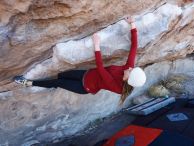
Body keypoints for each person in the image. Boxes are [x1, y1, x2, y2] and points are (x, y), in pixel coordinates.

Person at [14, 16, 146, 103]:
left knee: (58, 82)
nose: (130, 68)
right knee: (61, 76)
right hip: (86, 74)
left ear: (127, 79)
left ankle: (28, 83)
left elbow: (100, 68)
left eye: (131, 71)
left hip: (85, 87)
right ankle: (52, 83)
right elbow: (134, 48)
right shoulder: (128, 69)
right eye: (132, 68)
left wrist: (96, 45)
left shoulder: (117, 87)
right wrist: (133, 24)